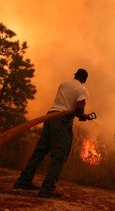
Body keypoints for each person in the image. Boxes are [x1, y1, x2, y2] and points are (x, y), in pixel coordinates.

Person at [14, 68, 92, 198]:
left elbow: (62, 103)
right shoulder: (82, 90)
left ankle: (23, 180)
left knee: (40, 150)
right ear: (84, 80)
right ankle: (47, 188)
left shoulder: (63, 84)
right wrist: (84, 116)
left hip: (50, 116)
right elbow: (78, 110)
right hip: (62, 120)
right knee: (60, 155)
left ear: (75, 76)